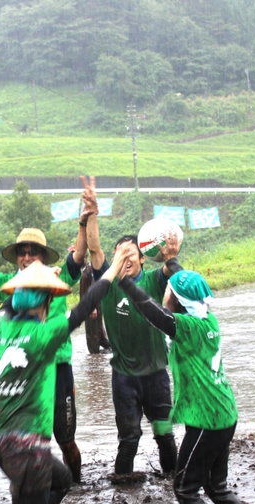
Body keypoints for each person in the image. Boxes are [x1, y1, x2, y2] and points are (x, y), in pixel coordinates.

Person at [0, 250, 133, 504]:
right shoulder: (44, 336)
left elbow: (10, 303)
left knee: (63, 480)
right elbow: (83, 309)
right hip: (26, 443)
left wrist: (33, 281)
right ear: (43, 305)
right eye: (49, 299)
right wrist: (109, 273)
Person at [0, 205, 93, 482]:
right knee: (27, 435)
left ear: (43, 255)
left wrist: (83, 223)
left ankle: (75, 485)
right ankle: (35, 483)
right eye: (22, 252)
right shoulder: (10, 282)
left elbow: (78, 256)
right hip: (25, 371)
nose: (27, 257)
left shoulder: (57, 276)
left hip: (58, 369)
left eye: (33, 251)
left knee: (65, 440)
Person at [116, 267, 253, 504]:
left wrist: (124, 281)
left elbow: (156, 314)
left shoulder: (188, 328)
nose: (164, 291)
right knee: (216, 486)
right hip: (224, 412)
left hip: (207, 420)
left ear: (177, 298)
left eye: (168, 289)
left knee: (184, 489)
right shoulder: (208, 320)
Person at [81, 178, 182, 476]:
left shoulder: (153, 280)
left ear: (141, 258)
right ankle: (122, 490)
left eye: (130, 254)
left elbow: (173, 271)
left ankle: (175, 486)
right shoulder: (108, 285)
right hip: (124, 378)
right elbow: (95, 249)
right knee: (129, 439)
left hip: (156, 377)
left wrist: (171, 256)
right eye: (119, 255)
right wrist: (93, 213)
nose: (125, 259)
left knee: (164, 435)